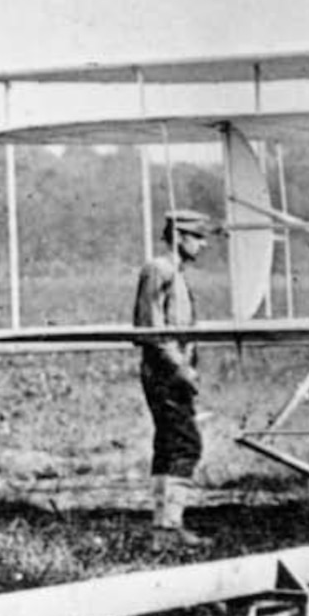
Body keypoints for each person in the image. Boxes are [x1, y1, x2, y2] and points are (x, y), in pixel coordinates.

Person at [133, 208, 213, 531]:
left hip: (175, 373)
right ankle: (169, 525)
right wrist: (181, 368)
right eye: (197, 237)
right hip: (164, 373)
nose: (203, 244)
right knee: (185, 445)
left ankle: (163, 525)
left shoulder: (178, 275)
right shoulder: (159, 270)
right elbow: (149, 329)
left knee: (170, 444)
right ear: (179, 236)